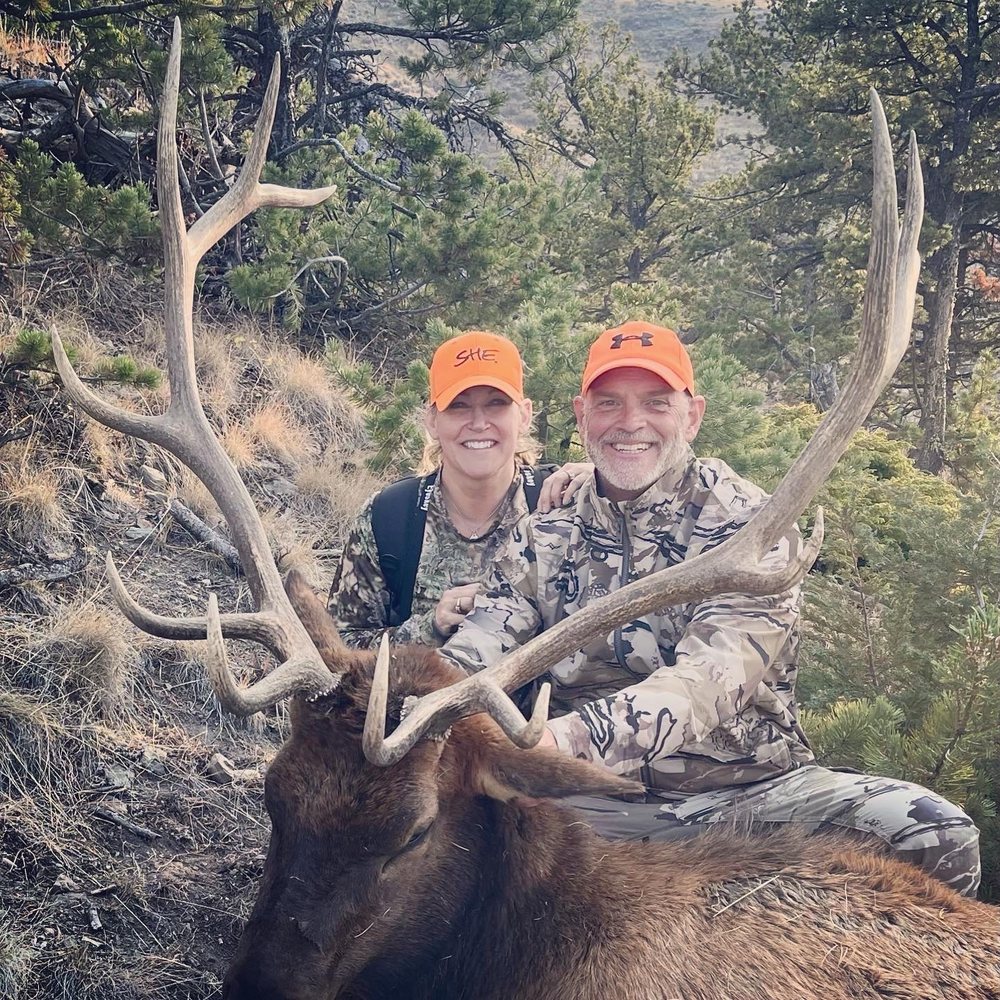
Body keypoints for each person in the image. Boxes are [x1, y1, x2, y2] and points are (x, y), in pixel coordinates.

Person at [440, 319, 982, 897]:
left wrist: (563, 743)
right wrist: (420, 702)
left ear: (693, 415)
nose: (630, 422)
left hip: (743, 796)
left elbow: (710, 681)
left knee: (932, 833)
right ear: (582, 415)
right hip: (581, 805)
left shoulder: (753, 526)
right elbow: (475, 651)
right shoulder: (543, 534)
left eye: (656, 402)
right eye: (609, 403)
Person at [329, 330, 587, 649]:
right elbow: (338, 647)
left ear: (524, 415)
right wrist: (429, 628)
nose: (478, 423)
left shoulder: (563, 505)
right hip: (419, 684)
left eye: (496, 403)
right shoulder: (388, 518)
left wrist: (604, 484)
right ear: (432, 420)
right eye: (458, 406)